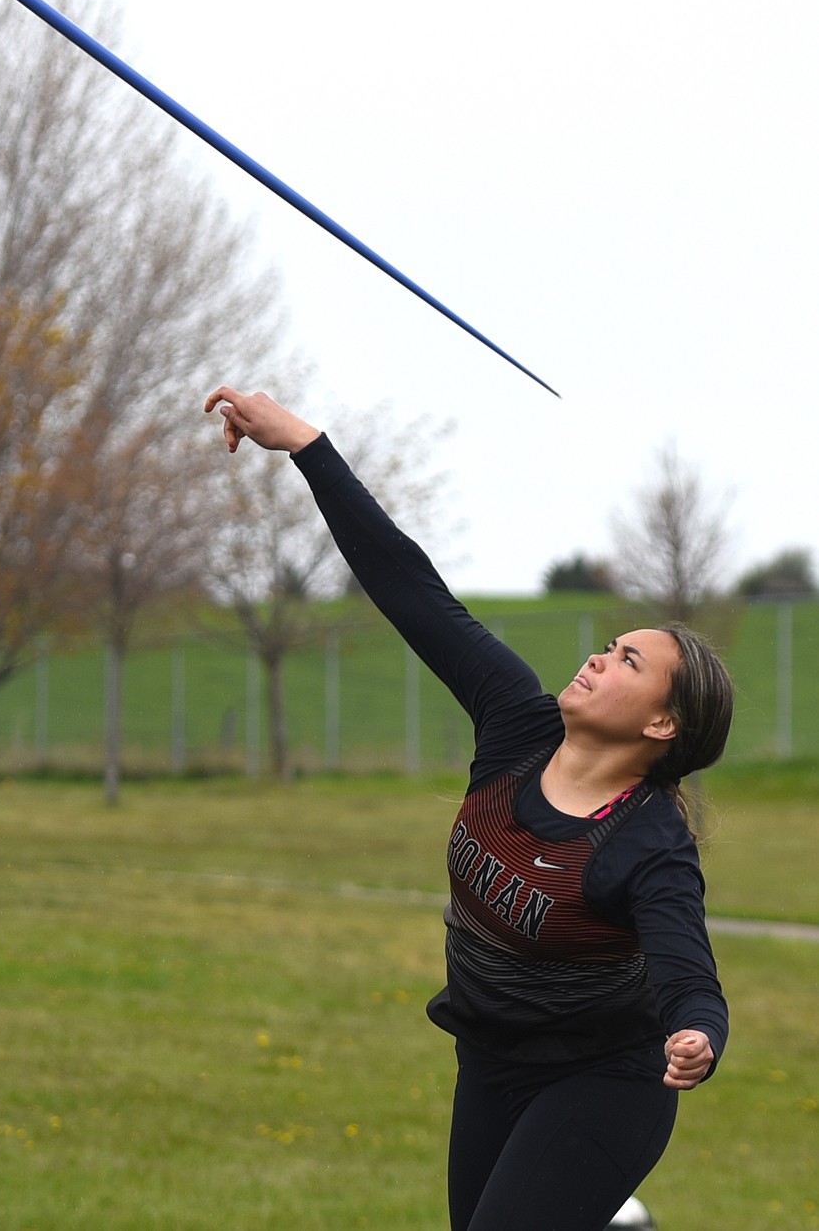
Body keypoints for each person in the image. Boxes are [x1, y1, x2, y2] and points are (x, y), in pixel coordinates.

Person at [204, 386, 732, 1231]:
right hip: (490, 1059)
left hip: (604, 1083)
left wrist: (700, 1036)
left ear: (662, 722)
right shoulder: (517, 723)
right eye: (607, 644)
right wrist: (306, 445)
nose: (598, 658)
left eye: (628, 660)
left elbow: (687, 974)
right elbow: (414, 591)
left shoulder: (646, 845)